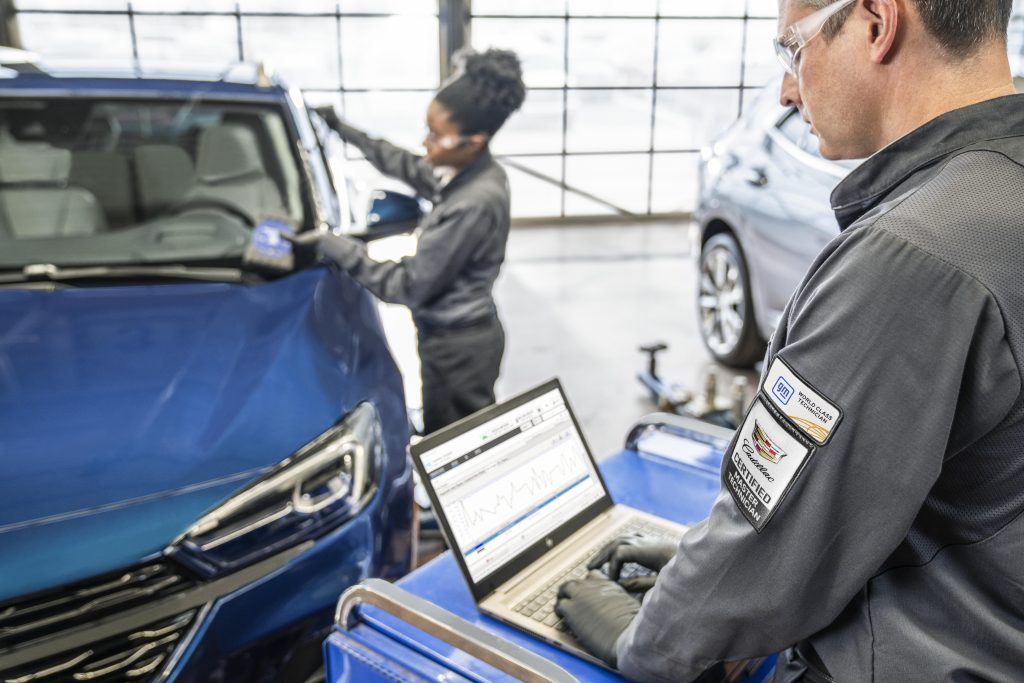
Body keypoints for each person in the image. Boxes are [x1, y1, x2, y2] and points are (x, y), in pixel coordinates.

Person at [555, 0, 1024, 681]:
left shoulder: (911, 258)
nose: (784, 88)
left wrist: (643, 641)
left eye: (792, 50)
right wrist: (701, 560)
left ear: (875, 22)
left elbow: (773, 528)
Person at [296, 48, 525, 435]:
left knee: (456, 446)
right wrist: (343, 129)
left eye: (437, 137)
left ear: (475, 140)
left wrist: (336, 245)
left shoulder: (475, 201)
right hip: (452, 339)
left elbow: (407, 286)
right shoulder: (461, 169)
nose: (425, 143)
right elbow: (404, 164)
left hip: (459, 350)